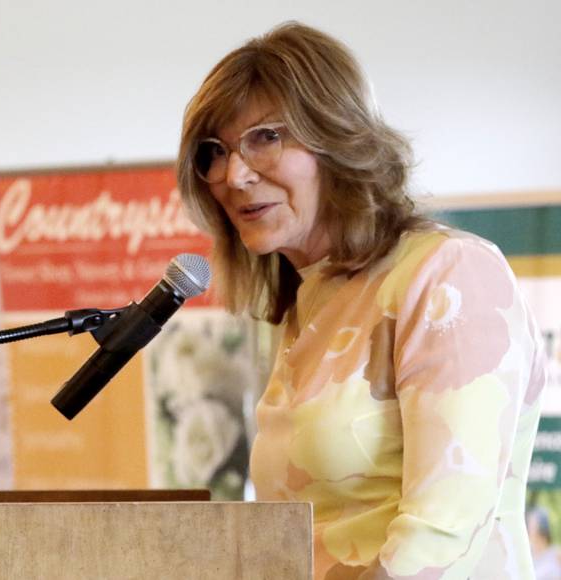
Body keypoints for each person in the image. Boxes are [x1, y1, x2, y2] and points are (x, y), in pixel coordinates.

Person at [176, 21, 547, 579]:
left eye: (266, 137)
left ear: (337, 135)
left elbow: (444, 533)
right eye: (214, 152)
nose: (235, 174)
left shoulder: (446, 274)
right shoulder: (307, 303)